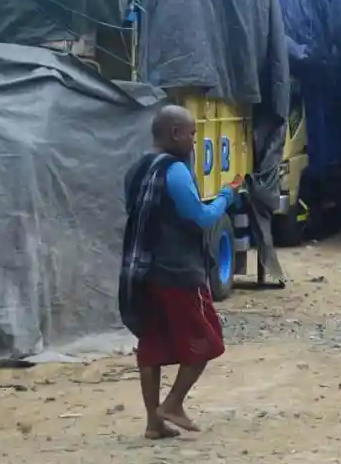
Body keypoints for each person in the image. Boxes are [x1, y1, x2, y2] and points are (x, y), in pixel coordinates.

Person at [119, 105, 241, 440]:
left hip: (143, 273)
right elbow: (201, 217)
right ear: (174, 133)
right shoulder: (174, 171)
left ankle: (153, 422)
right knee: (207, 339)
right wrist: (226, 196)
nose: (194, 140)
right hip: (179, 273)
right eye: (191, 133)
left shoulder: (136, 170)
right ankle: (173, 404)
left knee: (152, 343)